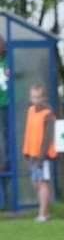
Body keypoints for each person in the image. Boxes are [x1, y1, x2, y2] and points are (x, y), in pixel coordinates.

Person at [22, 84, 57, 222]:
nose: (35, 100)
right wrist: (26, 152)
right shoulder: (30, 111)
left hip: (43, 156)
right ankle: (45, 212)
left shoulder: (48, 114)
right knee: (36, 182)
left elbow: (47, 137)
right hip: (32, 154)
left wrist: (41, 157)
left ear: (44, 98)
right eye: (33, 97)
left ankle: (43, 214)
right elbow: (29, 133)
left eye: (38, 97)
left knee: (42, 182)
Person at [0, 35, 10, 171]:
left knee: (8, 134)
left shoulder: (10, 58)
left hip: (8, 104)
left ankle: (8, 164)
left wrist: (13, 73)